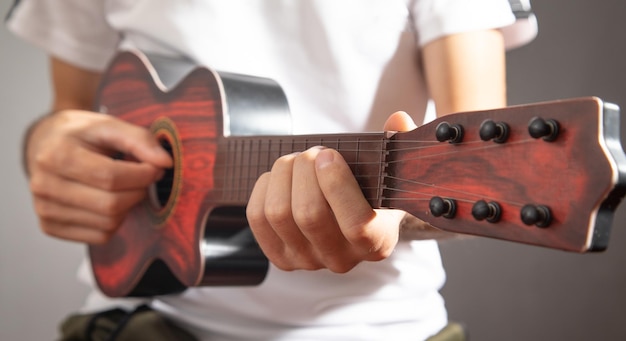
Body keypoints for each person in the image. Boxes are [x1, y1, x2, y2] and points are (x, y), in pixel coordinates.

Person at [7, 1, 537, 340]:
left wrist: (397, 211)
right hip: (135, 320)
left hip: (377, 329)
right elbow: (70, 113)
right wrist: (43, 147)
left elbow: (480, 172)